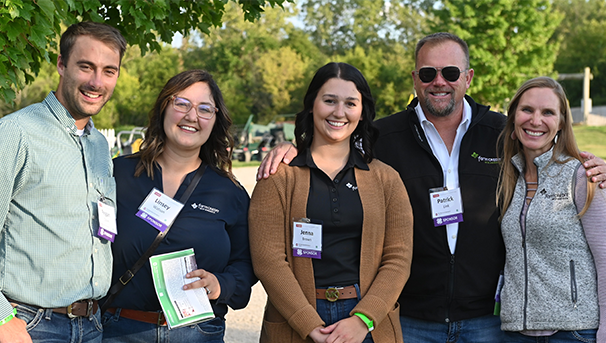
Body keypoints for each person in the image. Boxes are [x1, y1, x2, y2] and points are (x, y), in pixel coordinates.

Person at [256, 32, 606, 342]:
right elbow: (334, 142)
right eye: (428, 73)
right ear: (415, 79)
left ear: (467, 77)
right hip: (412, 319)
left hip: (486, 320)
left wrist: (590, 163)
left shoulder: (503, 135)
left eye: (450, 72)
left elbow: (545, 144)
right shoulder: (383, 137)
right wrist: (293, 149)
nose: (439, 81)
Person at [249, 62, 414, 343]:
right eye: (329, 101)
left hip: (367, 324)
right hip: (296, 319)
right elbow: (268, 260)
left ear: (362, 113)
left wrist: (363, 319)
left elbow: (398, 258)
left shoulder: (386, 179)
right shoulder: (278, 176)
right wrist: (308, 323)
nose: (339, 112)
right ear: (312, 104)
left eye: (350, 103)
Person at [101, 69, 256, 342]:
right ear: (164, 107)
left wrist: (221, 284)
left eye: (205, 109)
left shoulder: (229, 192)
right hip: (121, 330)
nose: (192, 116)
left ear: (215, 119)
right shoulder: (119, 174)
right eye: (182, 103)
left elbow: (246, 263)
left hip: (198, 333)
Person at [0, 22, 126, 343]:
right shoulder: (17, 132)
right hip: (30, 325)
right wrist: (3, 320)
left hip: (91, 325)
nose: (97, 82)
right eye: (86, 67)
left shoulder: (100, 145)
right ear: (61, 65)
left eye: (109, 71)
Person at [497, 76, 606, 342]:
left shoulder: (582, 176)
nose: (535, 121)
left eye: (548, 112)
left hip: (573, 332)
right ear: (513, 118)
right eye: (527, 110)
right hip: (516, 333)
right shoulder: (508, 179)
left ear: (560, 123)